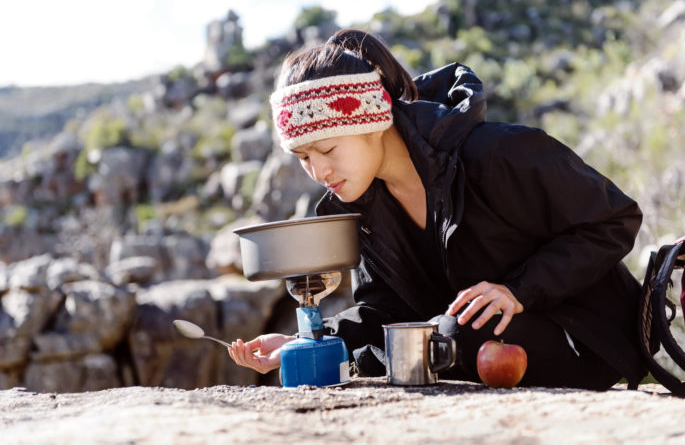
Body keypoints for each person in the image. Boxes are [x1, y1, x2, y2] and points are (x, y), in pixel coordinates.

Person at [228, 29, 646, 390]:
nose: (318, 170)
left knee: (449, 336)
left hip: (586, 337)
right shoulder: (364, 207)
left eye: (328, 148)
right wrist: (312, 341)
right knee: (438, 339)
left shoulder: (498, 154)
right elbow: (384, 311)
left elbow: (613, 219)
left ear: (372, 121)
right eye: (303, 157)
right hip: (468, 345)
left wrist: (518, 290)